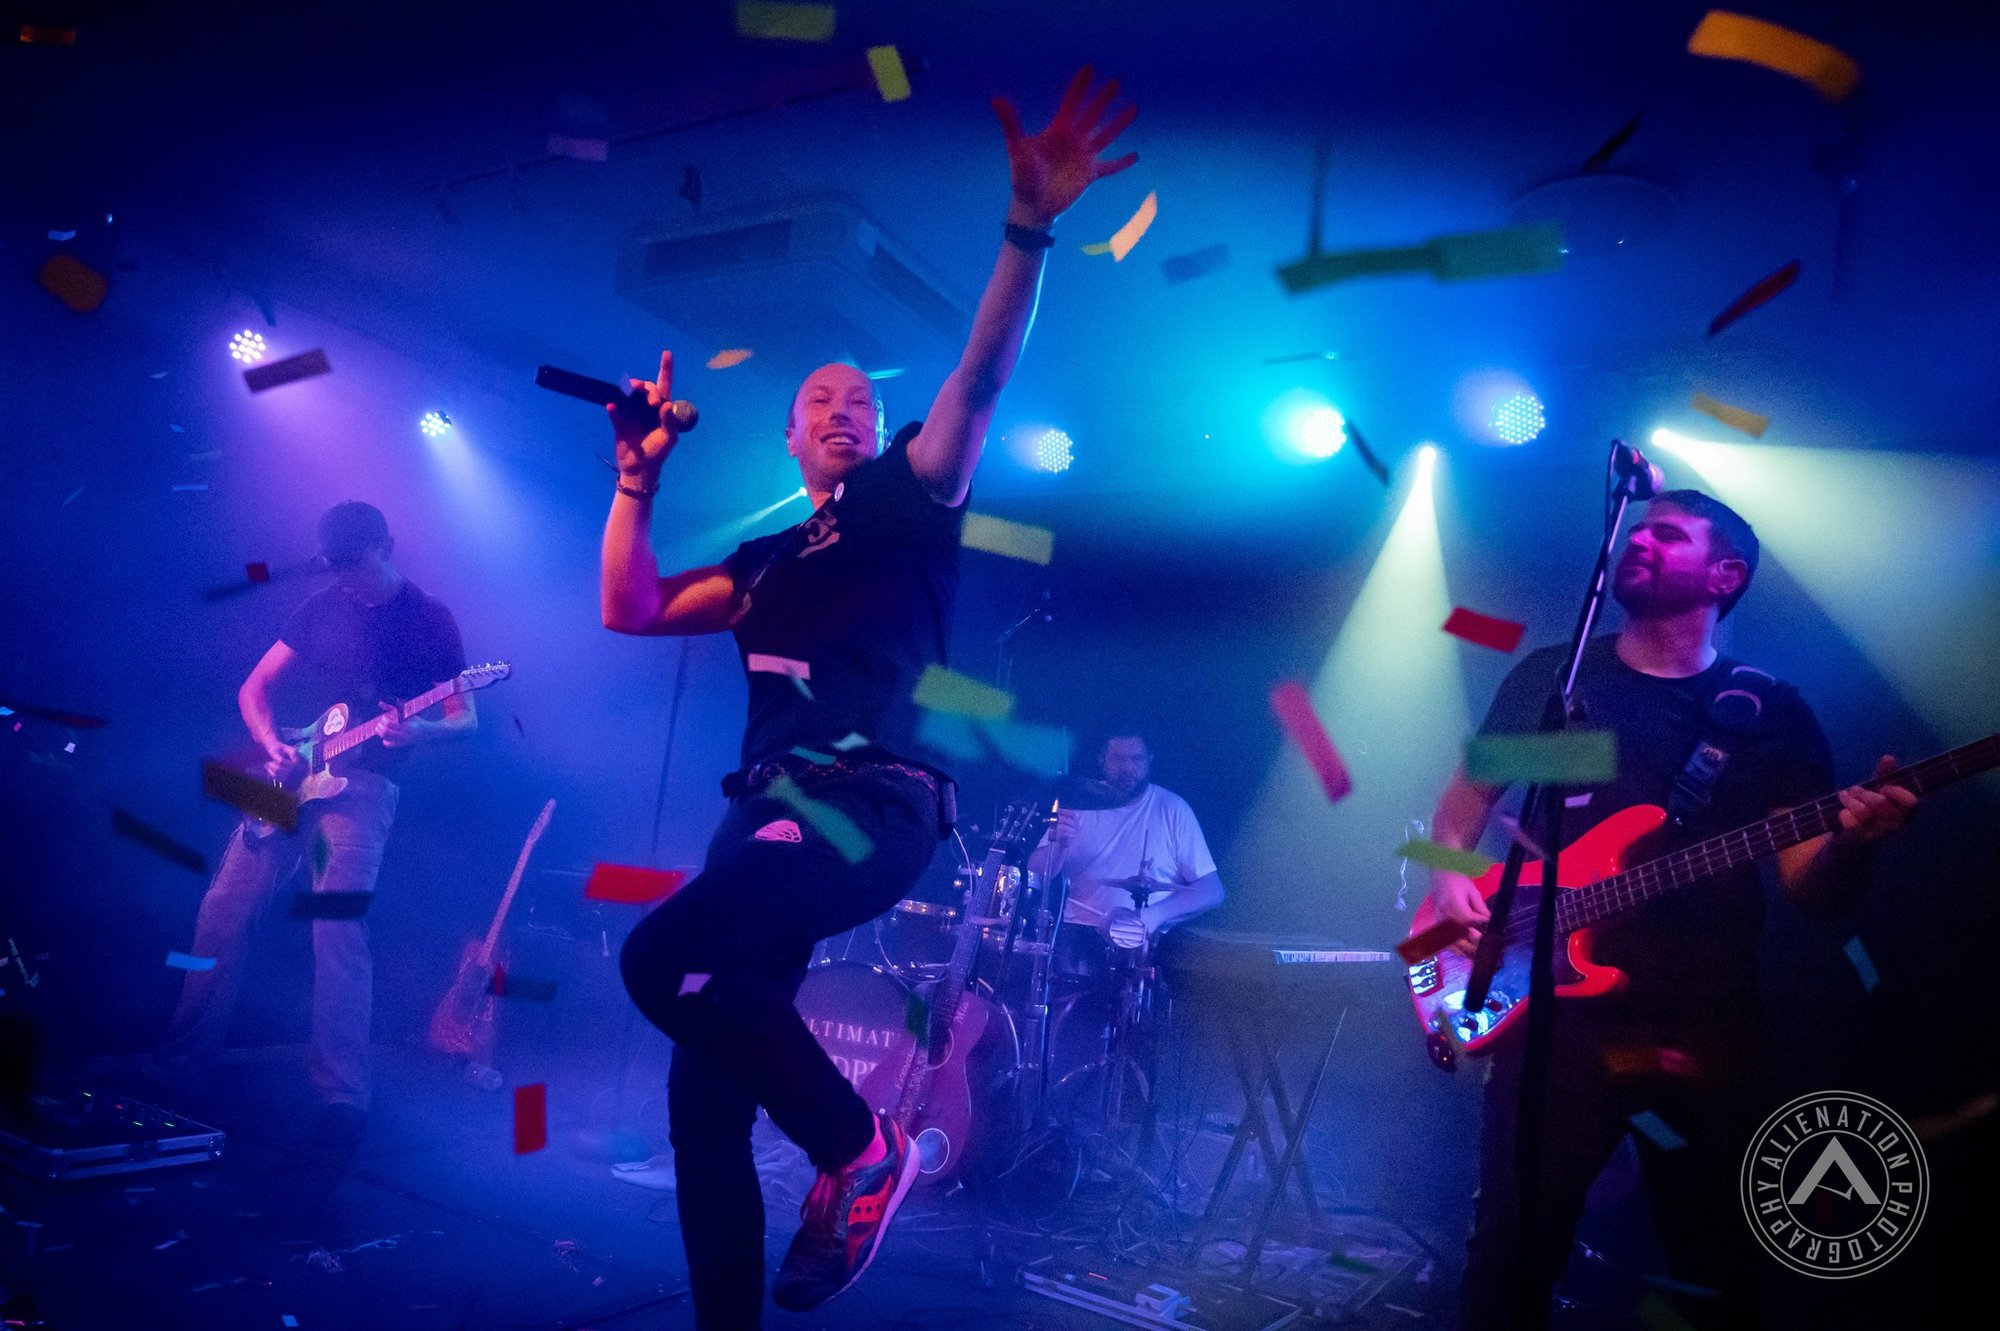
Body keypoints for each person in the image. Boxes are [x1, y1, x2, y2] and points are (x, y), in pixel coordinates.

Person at [601, 68, 1137, 1326]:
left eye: (863, 401)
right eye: (818, 403)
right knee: (701, 1098)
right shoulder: (760, 560)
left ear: (885, 431)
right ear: (789, 439)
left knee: (656, 953)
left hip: (864, 798)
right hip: (763, 810)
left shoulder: (908, 498)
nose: (843, 410)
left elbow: (984, 375)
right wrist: (634, 481)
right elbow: (626, 608)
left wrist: (1028, 228)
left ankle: (859, 1150)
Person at [1423, 490, 1917, 1328]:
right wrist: (1448, 881)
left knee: (1715, 1257)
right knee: (1510, 1251)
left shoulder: (1770, 714)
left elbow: (1810, 886)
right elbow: (1465, 803)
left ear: (1726, 574)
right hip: (1558, 1023)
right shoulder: (1559, 679)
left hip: (1707, 1022)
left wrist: (1856, 840)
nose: (1640, 539)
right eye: (1638, 529)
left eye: (1669, 533)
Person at [151, 501, 475, 1148]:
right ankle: (176, 1069)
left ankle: (342, 1099)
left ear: (387, 543)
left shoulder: (430, 618)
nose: (349, 578)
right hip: (291, 771)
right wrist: (270, 743)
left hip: (365, 785)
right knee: (220, 911)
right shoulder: (320, 606)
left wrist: (420, 728)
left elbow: (468, 718)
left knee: (337, 927)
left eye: (357, 563)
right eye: (339, 567)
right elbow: (254, 688)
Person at [1029, 732, 1225, 958]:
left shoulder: (1172, 809)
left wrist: (1152, 916)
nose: (1128, 768)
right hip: (1076, 939)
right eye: (1118, 759)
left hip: (1146, 943)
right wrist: (1060, 845)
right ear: (1101, 759)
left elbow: (1212, 890)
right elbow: (1036, 871)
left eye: (1136, 759)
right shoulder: (1078, 801)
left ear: (1150, 760)